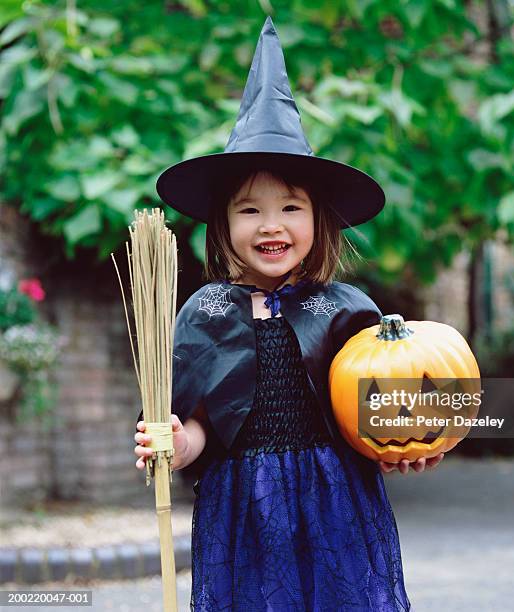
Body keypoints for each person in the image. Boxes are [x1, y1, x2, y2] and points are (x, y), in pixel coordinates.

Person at [133, 17, 444, 611]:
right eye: (249, 209)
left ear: (318, 221)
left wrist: (409, 443)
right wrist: (176, 439)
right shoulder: (207, 313)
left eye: (290, 207)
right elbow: (203, 426)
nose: (270, 224)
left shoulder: (346, 311)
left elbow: (380, 413)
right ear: (223, 224)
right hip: (244, 510)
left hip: (338, 504)